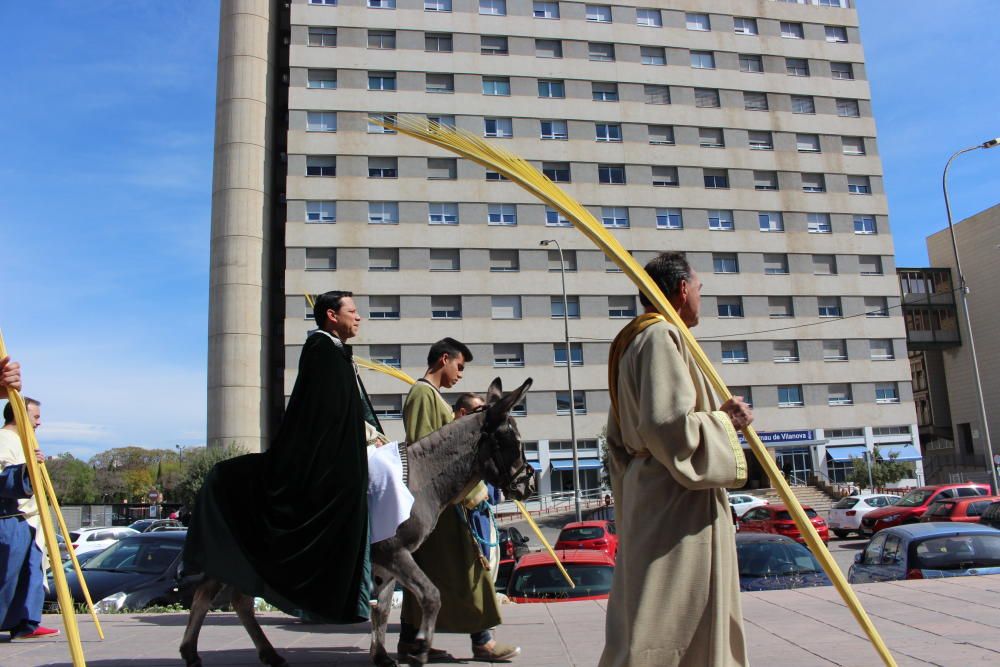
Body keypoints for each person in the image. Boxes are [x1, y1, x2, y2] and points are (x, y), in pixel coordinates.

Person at [183, 290, 380, 623]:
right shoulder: (322, 351)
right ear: (332, 316)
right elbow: (324, 416)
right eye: (353, 311)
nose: (359, 317)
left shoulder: (338, 353)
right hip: (323, 467)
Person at [600, 252, 752, 667]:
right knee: (671, 617)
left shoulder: (632, 341)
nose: (702, 296)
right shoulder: (661, 336)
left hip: (652, 488)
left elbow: (616, 438)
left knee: (653, 611)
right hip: (676, 496)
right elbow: (666, 426)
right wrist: (724, 421)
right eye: (700, 288)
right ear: (682, 289)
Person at [399, 340, 519, 662]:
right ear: (444, 359)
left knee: (427, 573)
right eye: (460, 366)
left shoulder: (430, 395)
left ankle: (411, 641)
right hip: (437, 503)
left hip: (440, 502)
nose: (460, 375)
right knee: (467, 570)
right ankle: (483, 642)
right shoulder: (423, 394)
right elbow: (426, 448)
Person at [0, 358, 58, 640]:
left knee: (30, 573)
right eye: (35, 417)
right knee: (7, 577)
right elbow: (6, 478)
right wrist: (26, 471)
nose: (39, 422)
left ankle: (26, 621)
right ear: (20, 415)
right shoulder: (4, 440)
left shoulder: (26, 443)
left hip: (28, 520)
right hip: (11, 518)